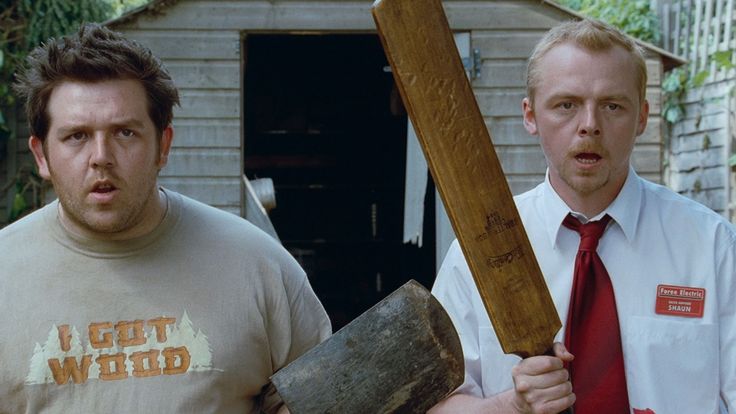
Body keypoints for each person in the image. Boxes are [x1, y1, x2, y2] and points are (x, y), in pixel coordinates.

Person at [0, 23, 331, 413]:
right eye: (77, 136)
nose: (101, 156)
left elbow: (326, 399)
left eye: (125, 132)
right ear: (41, 155)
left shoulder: (260, 267)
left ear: (163, 145)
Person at [430, 18, 736, 414]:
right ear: (530, 116)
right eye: (566, 105)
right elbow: (434, 405)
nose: (589, 125)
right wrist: (511, 405)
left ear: (642, 117)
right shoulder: (478, 254)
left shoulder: (712, 246)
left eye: (612, 106)